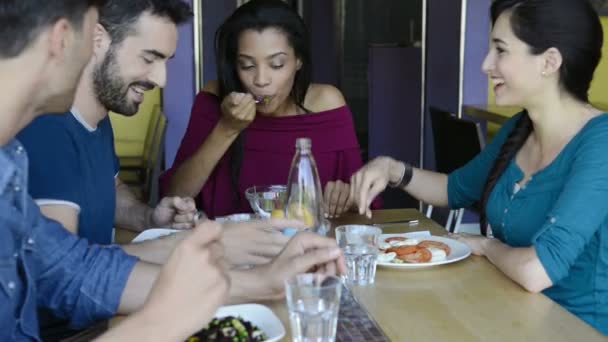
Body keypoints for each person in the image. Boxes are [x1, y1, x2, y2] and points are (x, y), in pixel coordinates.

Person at [0, 0, 346, 340]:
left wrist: (254, 277)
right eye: (150, 58)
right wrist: (162, 316)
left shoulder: (16, 157)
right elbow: (69, 277)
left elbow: (69, 267)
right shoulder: (42, 133)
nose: (163, 80)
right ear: (70, 38)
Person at [350, 0, 608, 334]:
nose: (487, 65)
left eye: (500, 50)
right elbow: (453, 189)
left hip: (574, 329)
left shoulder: (599, 145)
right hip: (511, 310)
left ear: (549, 61)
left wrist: (486, 246)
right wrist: (392, 170)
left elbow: (536, 270)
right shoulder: (520, 129)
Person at [17, 0, 289, 268]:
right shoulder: (46, 129)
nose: (161, 79)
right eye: (149, 58)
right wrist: (190, 245)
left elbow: (108, 189)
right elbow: (63, 268)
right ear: (98, 39)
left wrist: (148, 218)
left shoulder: (97, 119)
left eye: (165, 61)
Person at [160, 0, 379, 220]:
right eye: (247, 65)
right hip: (229, 249)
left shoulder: (327, 104)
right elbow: (175, 196)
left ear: (299, 60)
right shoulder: (214, 100)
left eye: (277, 64)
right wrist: (227, 128)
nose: (261, 80)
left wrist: (345, 197)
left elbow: (363, 199)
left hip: (311, 248)